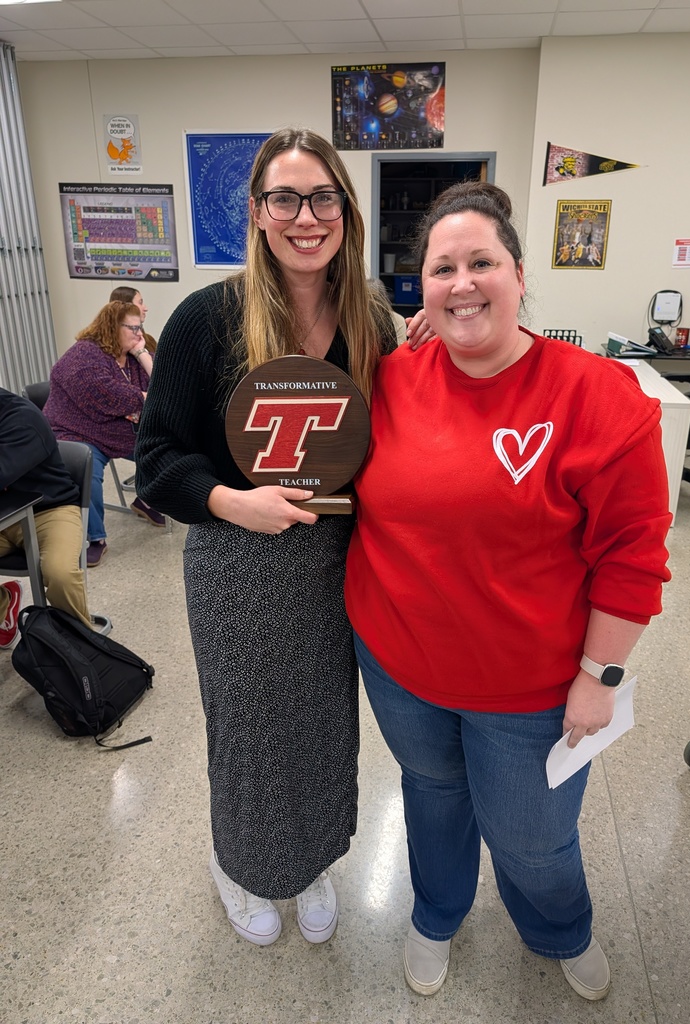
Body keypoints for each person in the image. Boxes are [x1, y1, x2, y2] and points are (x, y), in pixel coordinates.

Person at [345, 181, 672, 1001]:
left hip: (529, 689)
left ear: (519, 275)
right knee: (432, 798)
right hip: (399, 664)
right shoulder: (389, 379)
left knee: (532, 840)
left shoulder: (597, 397)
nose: (461, 283)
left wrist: (599, 678)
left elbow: (634, 557)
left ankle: (558, 927)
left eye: (480, 262)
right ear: (419, 287)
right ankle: (437, 911)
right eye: (442, 267)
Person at [133, 127, 397, 948]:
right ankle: (237, 863)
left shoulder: (373, 321)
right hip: (236, 558)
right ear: (255, 212)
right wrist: (227, 501)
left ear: (345, 212)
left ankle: (311, 859)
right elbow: (154, 461)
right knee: (248, 727)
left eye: (322, 197)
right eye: (285, 198)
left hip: (334, 561)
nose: (305, 216)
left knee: (321, 721)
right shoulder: (204, 318)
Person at [44, 300, 166, 568]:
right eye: (133, 328)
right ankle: (94, 539)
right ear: (112, 327)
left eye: (141, 327)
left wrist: (144, 353)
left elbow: (162, 387)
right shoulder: (83, 356)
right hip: (78, 431)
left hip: (120, 430)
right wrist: (142, 400)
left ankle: (144, 500)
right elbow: (107, 396)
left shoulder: (132, 354)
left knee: (164, 452)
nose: (139, 333)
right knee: (87, 471)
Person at [0, 388, 91, 648]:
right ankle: (5, 603)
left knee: (60, 572)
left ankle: (83, 649)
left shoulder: (22, 418)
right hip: (5, 517)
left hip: (50, 511)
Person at [109, 286, 158, 353]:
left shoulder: (150, 342)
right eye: (140, 303)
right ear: (126, 306)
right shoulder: (103, 346)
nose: (146, 308)